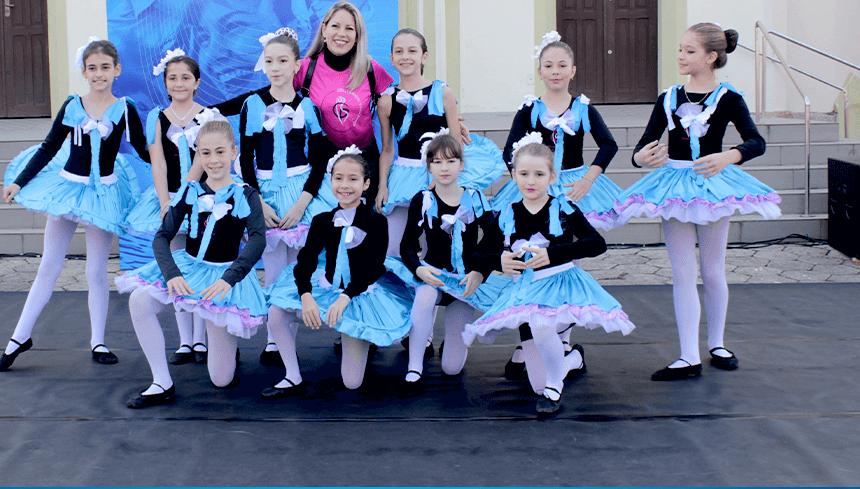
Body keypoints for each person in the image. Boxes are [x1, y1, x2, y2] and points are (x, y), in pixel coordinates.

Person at [614, 24, 781, 380]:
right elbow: (644, 144)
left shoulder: (728, 98)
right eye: (680, 48)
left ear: (711, 57)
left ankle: (716, 343)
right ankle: (688, 355)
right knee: (683, 272)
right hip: (674, 186)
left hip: (711, 186)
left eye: (689, 51)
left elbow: (756, 141)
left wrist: (728, 156)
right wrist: (641, 158)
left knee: (713, 269)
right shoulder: (668, 97)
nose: (680, 56)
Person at [0, 39, 149, 370]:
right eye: (92, 68)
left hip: (103, 195)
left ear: (117, 70)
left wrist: (182, 167)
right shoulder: (72, 105)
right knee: (49, 265)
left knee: (96, 270)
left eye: (105, 67)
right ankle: (19, 337)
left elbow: (144, 150)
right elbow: (49, 147)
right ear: (84, 72)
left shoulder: (125, 109)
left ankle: (98, 341)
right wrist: (19, 181)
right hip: (68, 189)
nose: (99, 74)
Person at [465, 137, 634, 416]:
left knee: (543, 329)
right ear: (513, 176)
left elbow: (597, 243)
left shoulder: (564, 207)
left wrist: (554, 254)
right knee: (536, 384)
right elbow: (477, 254)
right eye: (524, 174)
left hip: (560, 287)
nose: (531, 181)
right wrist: (498, 261)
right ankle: (573, 359)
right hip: (525, 292)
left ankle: (555, 386)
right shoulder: (507, 213)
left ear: (552, 177)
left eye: (539, 174)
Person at [492, 32, 623, 378]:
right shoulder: (529, 109)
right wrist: (528, 180)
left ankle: (563, 341)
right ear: (539, 71)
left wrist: (588, 179)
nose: (555, 71)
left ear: (573, 70)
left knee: (566, 266)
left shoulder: (583, 108)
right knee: (527, 260)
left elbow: (608, 145)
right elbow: (509, 150)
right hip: (535, 189)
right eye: (548, 65)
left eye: (562, 65)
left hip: (573, 188)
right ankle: (530, 339)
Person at [115, 118, 268, 405]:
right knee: (139, 300)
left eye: (220, 152)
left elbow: (258, 240)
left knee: (221, 379)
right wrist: (171, 273)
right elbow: (162, 237)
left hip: (223, 277)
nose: (214, 160)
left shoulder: (247, 194)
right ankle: (161, 382)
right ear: (198, 154)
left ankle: (224, 341)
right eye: (206, 153)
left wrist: (229, 278)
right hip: (189, 268)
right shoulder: (190, 191)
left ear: (233, 152)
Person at [264, 148, 414, 397]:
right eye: (338, 178)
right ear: (330, 181)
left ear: (366, 184)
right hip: (327, 286)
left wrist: (346, 297)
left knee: (352, 383)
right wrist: (306, 295)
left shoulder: (377, 221)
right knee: (276, 312)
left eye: (353, 179)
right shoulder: (322, 220)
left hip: (359, 294)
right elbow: (306, 260)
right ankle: (292, 375)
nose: (345, 185)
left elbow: (374, 266)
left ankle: (362, 337)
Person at [239, 28, 335, 366]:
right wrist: (258, 202)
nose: (275, 67)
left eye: (282, 61)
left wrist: (302, 203)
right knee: (273, 267)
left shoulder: (307, 106)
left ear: (296, 65)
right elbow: (245, 159)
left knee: (299, 268)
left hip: (301, 193)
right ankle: (273, 339)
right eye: (269, 61)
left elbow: (320, 160)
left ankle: (288, 337)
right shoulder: (252, 104)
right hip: (265, 193)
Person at [395, 133, 510, 390]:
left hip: (464, 282)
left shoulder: (475, 197)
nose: (444, 168)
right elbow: (407, 245)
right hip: (433, 276)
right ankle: (414, 366)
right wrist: (419, 269)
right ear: (428, 167)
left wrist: (480, 271)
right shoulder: (423, 200)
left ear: (461, 164)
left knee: (451, 368)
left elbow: (493, 239)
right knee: (424, 298)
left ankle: (453, 345)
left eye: (450, 161)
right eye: (437, 162)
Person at [377, 28, 504, 256]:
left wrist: (444, 177)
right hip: (404, 175)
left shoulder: (442, 92)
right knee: (393, 249)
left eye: (412, 51)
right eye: (399, 51)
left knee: (436, 248)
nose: (405, 56)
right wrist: (382, 186)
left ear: (424, 56)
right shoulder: (386, 101)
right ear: (392, 58)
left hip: (440, 173)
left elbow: (456, 142)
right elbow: (387, 150)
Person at [123, 49, 214, 365]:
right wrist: (165, 202)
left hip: (202, 200)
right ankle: (185, 340)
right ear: (165, 83)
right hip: (170, 197)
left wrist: (186, 197)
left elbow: (205, 159)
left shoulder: (209, 116)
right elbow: (158, 163)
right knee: (176, 267)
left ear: (196, 82)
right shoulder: (157, 117)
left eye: (185, 78)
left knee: (201, 263)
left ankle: (202, 339)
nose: (179, 83)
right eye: (172, 78)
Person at [294, 1, 394, 203]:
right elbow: (269, 96)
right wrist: (223, 111)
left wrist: (447, 117)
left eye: (349, 28)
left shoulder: (370, 68)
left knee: (364, 222)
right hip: (322, 167)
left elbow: (402, 106)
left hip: (365, 165)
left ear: (357, 37)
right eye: (335, 26)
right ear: (324, 30)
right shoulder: (305, 69)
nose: (342, 33)